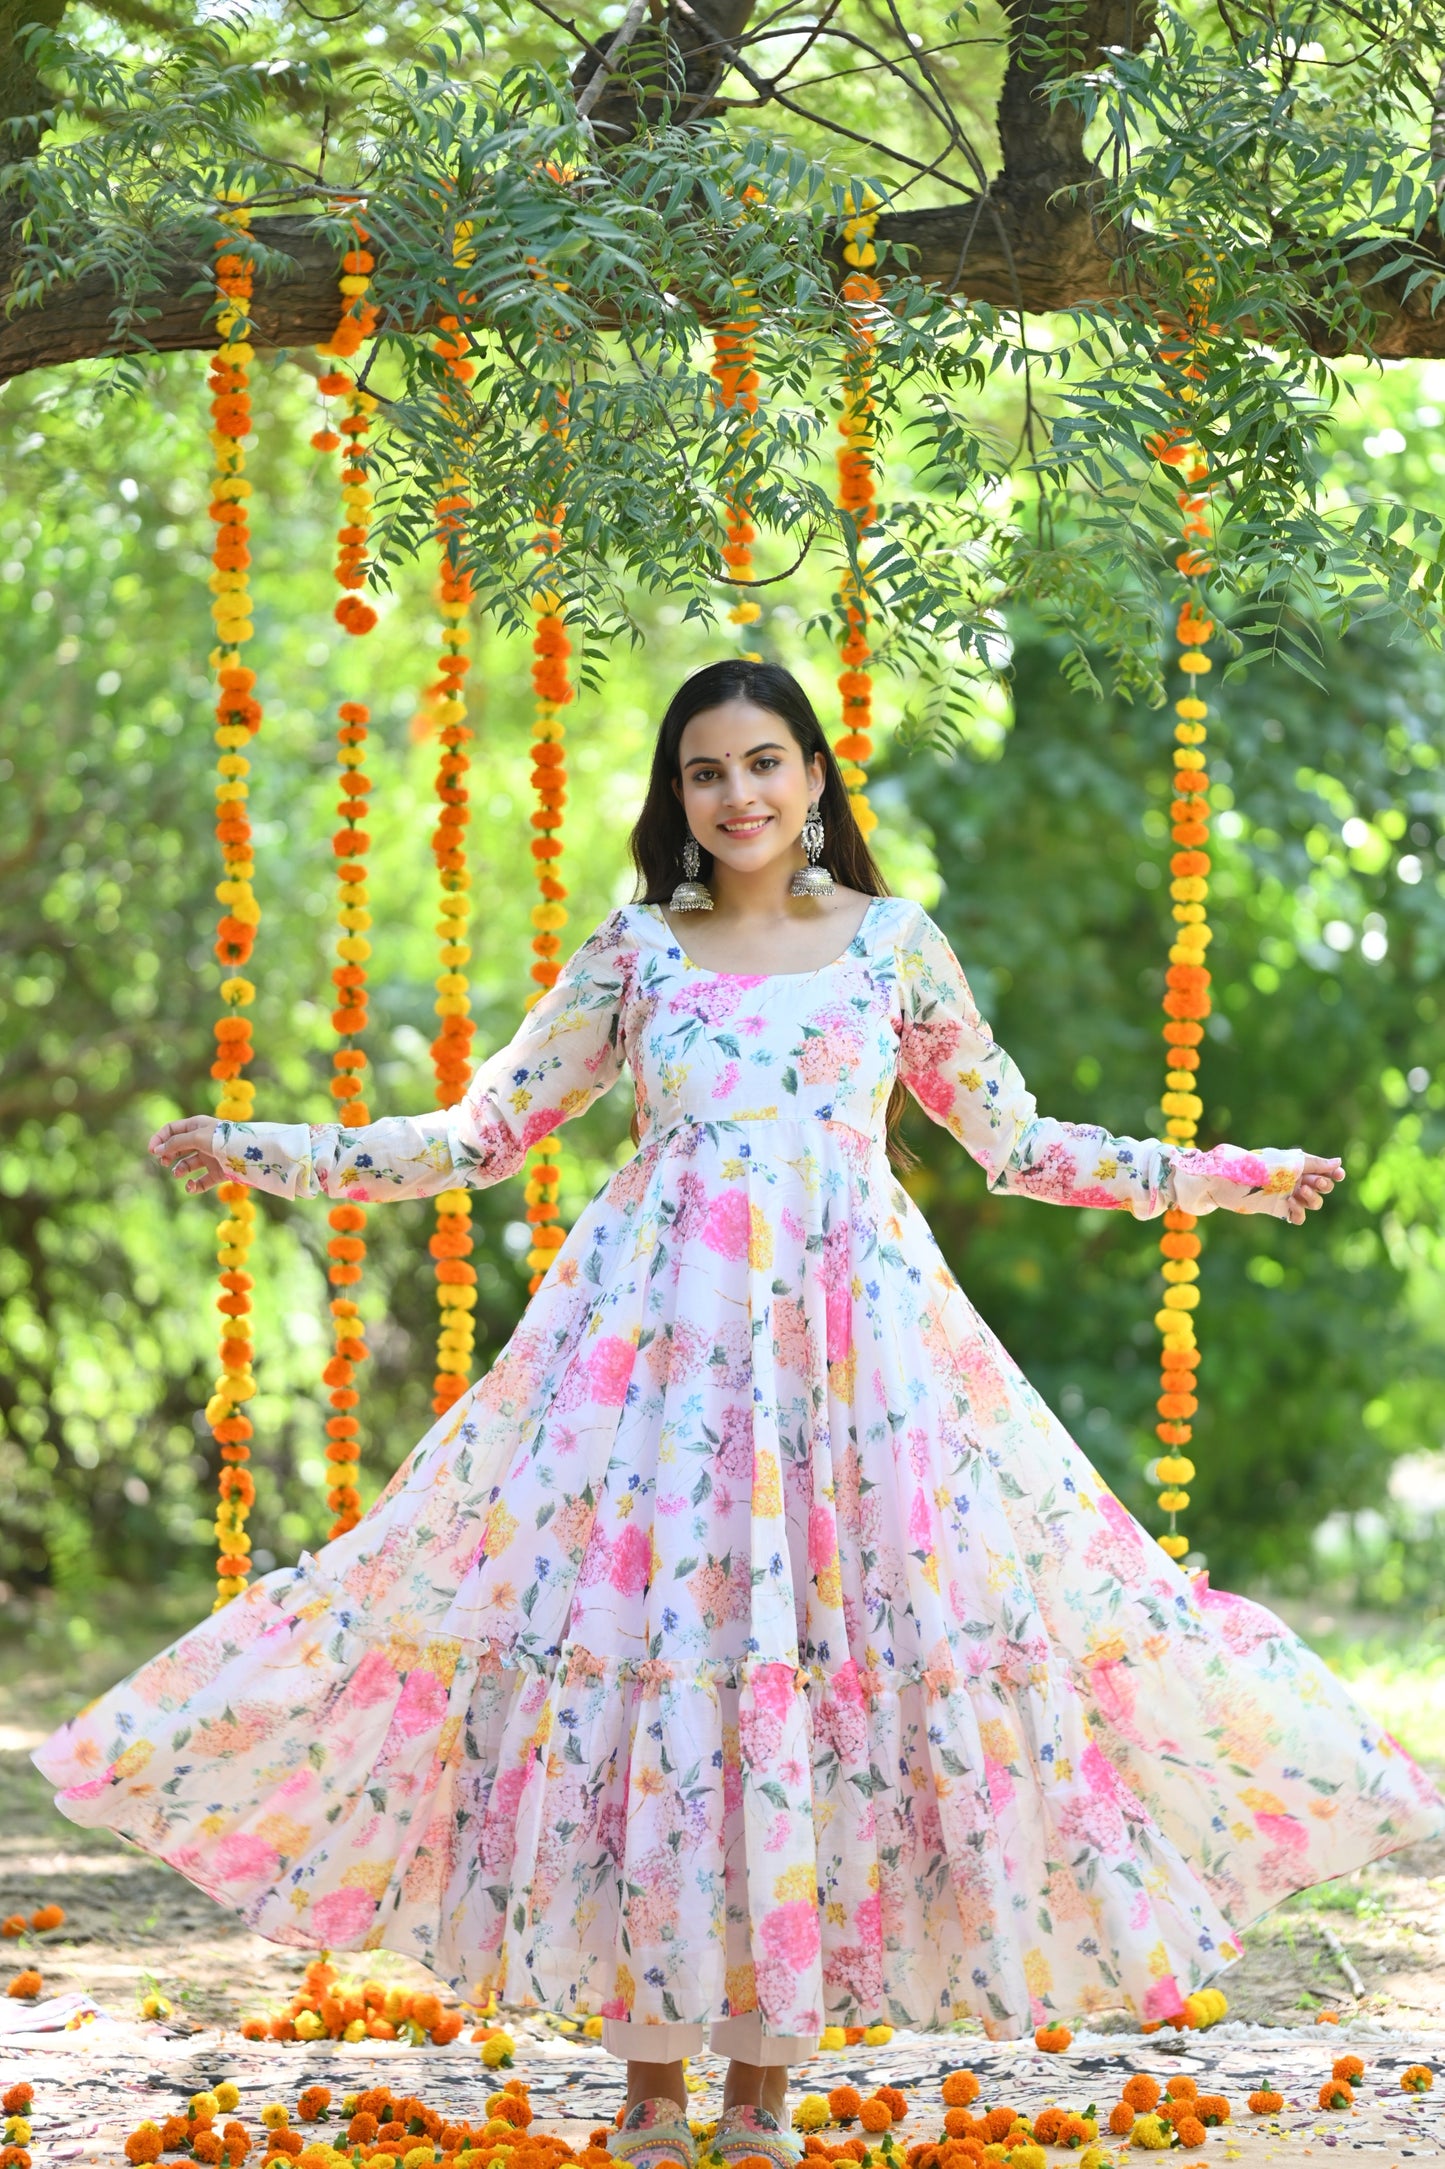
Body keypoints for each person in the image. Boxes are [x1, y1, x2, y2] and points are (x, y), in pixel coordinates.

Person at [34, 660, 1442, 2169]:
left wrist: (1217, 1175)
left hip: (854, 1374)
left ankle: (761, 2095)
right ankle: (648, 2092)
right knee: (663, 1671)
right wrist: (267, 1152)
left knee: (813, 1675)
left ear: (817, 776)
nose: (740, 794)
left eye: (765, 762)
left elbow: (1017, 1142)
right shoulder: (638, 952)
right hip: (651, 1374)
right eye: (707, 772)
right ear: (678, 798)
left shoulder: (890, 946)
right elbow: (478, 1132)